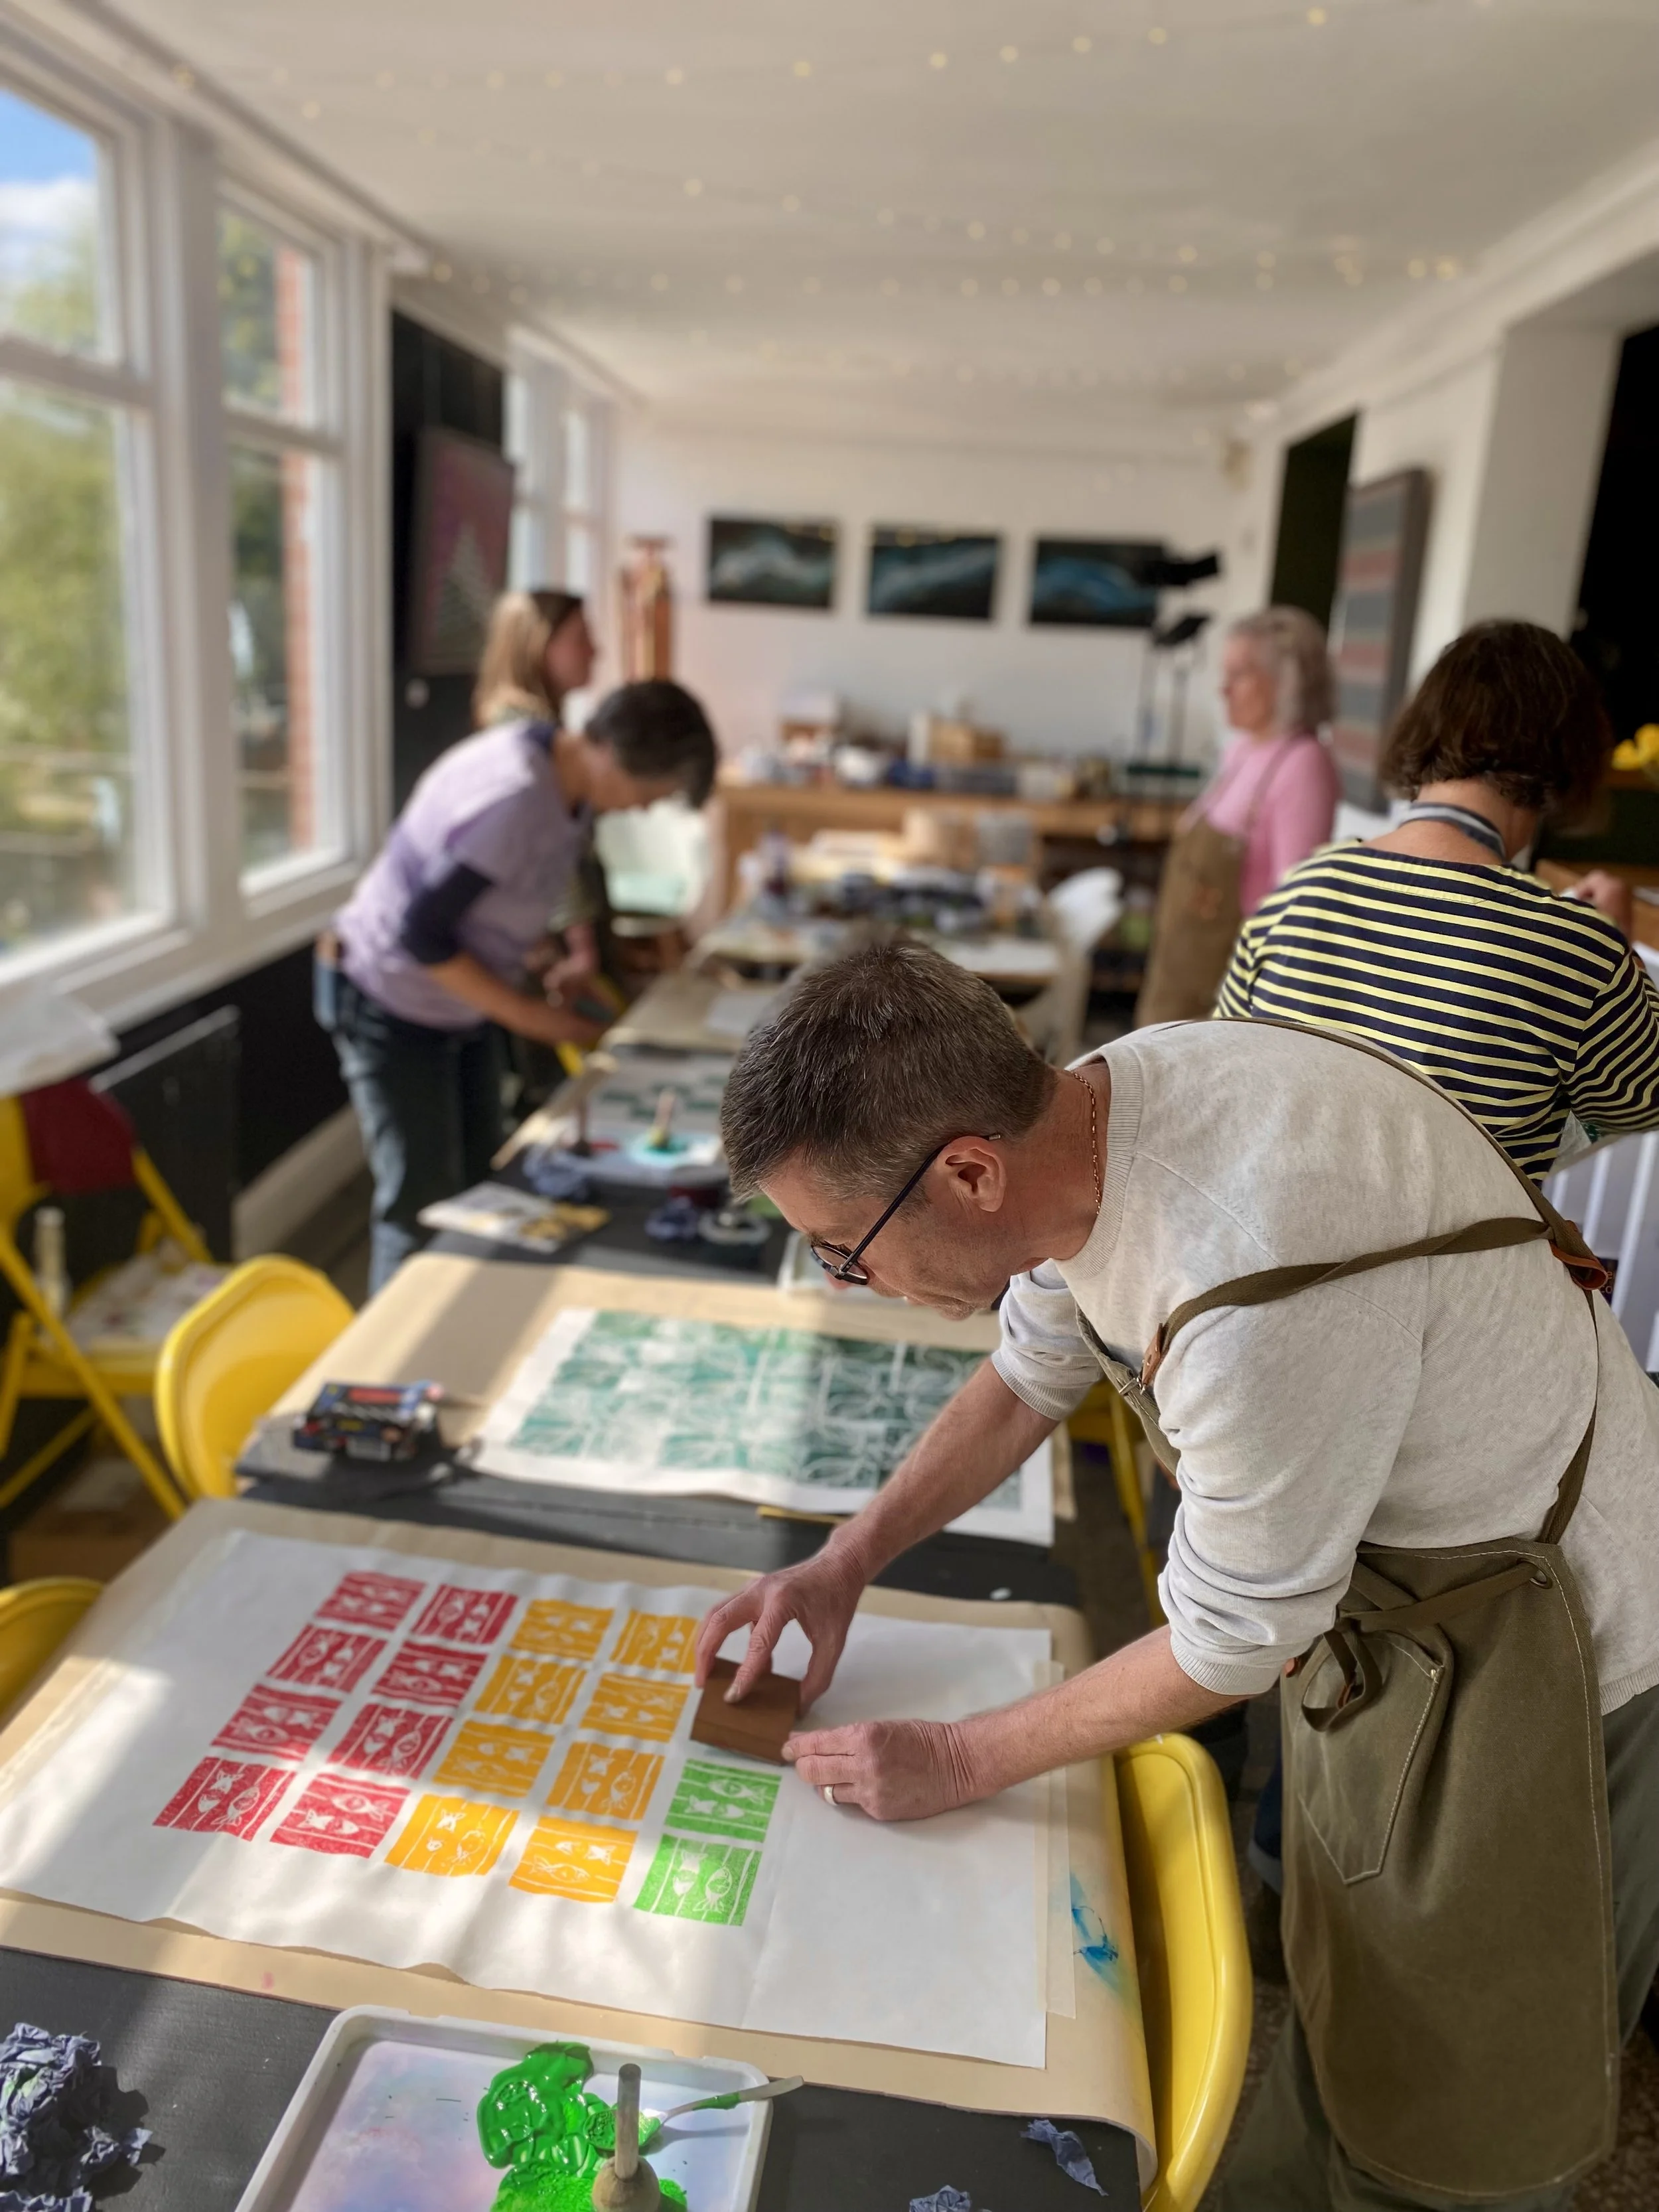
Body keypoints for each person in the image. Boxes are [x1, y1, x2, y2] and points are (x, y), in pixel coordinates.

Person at [696, 939, 1659, 2212]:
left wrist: (961, 1755)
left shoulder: (1247, 1279)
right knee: (1360, 1982)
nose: (851, 1278)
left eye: (842, 1246)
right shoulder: (1085, 1117)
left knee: (1468, 2090)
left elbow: (1233, 1637)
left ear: (969, 1172)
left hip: (1563, 1646)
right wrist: (843, 1559)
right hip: (1392, 1599)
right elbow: (1032, 1373)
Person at [1218, 619, 1659, 1918]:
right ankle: (1343, 1884)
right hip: (1445, 1365)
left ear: (1424, 741)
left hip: (1265, 1323)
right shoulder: (1571, 950)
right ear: (1563, 766)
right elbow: (1632, 1104)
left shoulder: (1298, 895)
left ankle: (1236, 1842)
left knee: (1268, 1586)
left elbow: (1229, 1093)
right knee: (1397, 1621)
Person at [320, 595, 717, 1289]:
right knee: (419, 1202)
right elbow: (422, 934)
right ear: (619, 756)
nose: (648, 806)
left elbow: (497, 902)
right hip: (389, 996)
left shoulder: (572, 787)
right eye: (654, 791)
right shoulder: (513, 794)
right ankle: (392, 1347)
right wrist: (536, 1017)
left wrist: (549, 960)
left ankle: (474, 1312)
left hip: (456, 1003)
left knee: (485, 1180)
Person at [1135, 606, 1340, 1025]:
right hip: (1175, 983)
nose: (1223, 689)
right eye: (1224, 673)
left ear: (1289, 682)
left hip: (1220, 1004)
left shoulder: (1303, 764)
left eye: (1240, 674)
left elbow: (1293, 912)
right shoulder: (1243, 750)